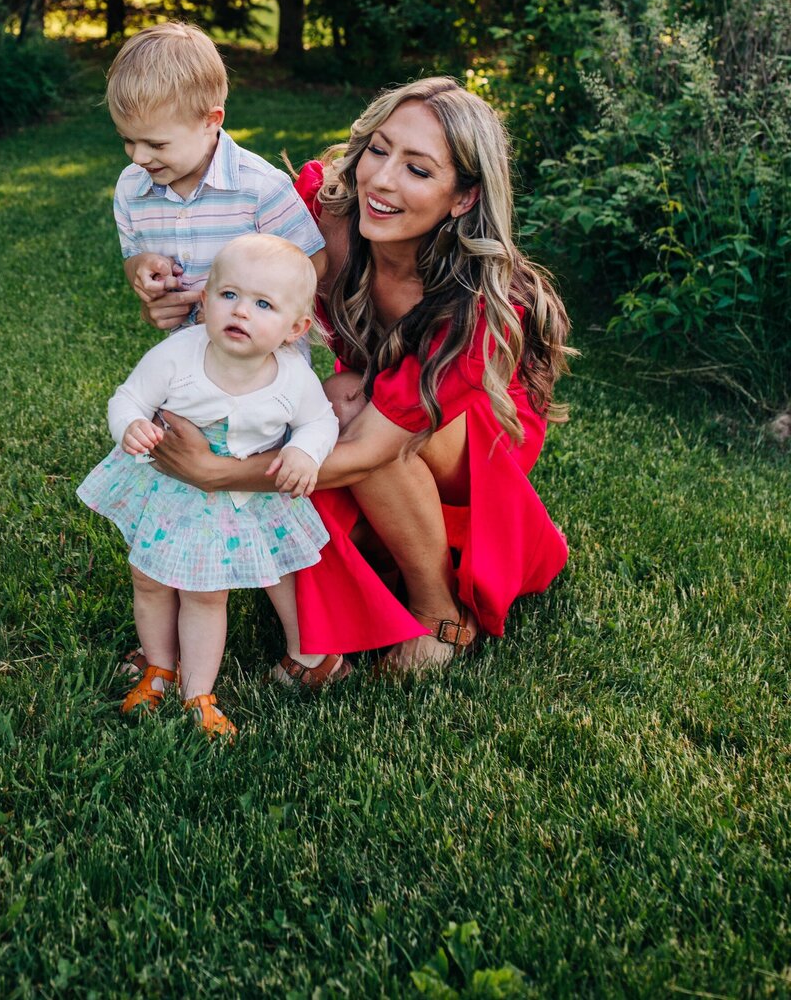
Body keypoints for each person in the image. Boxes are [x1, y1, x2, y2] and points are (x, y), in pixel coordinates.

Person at [149, 76, 571, 673]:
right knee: (315, 403)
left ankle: (437, 613)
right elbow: (237, 277)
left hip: (478, 440)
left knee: (344, 404)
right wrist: (171, 291)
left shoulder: (479, 304)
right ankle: (334, 621)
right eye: (379, 149)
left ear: (464, 198)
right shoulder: (321, 212)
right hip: (372, 402)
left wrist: (219, 474)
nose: (381, 180)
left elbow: (372, 445)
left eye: (418, 170)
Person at [77, 236, 341, 738]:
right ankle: (158, 667)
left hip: (238, 502)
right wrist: (130, 424)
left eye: (263, 304)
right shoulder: (178, 354)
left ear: (296, 327)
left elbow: (319, 422)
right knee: (149, 580)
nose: (241, 311)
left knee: (205, 594)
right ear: (205, 301)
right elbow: (129, 397)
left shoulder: (293, 378)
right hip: (169, 489)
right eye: (229, 295)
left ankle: (198, 690)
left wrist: (304, 451)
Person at [106, 22, 326, 332]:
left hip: (265, 364)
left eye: (156, 144)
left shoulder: (260, 187)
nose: (138, 157)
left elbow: (313, 264)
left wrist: (243, 307)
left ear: (211, 120)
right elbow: (132, 254)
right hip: (186, 361)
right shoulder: (132, 189)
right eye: (127, 139)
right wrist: (140, 271)